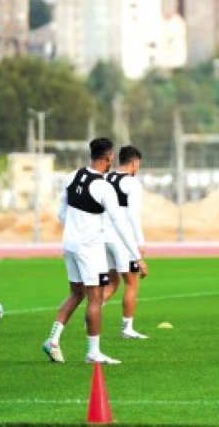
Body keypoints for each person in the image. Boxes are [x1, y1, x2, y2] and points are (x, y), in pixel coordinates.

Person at [42, 138, 148, 365]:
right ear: (109, 157)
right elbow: (120, 224)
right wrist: (137, 257)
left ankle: (53, 339)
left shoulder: (72, 176)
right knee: (95, 297)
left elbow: (61, 212)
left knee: (76, 293)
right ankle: (93, 352)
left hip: (69, 243)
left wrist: (75, 229)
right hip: (90, 248)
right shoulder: (103, 187)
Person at [102, 145, 149, 339]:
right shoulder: (132, 183)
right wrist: (140, 242)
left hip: (104, 237)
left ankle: (92, 312)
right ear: (134, 162)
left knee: (113, 282)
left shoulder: (106, 178)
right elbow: (132, 215)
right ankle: (127, 328)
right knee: (132, 283)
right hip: (122, 239)